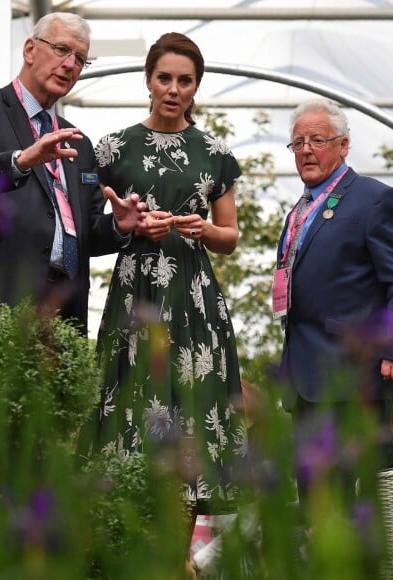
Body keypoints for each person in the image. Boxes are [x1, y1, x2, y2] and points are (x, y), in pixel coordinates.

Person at [82, 32, 247, 519]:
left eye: (185, 80)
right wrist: (126, 225)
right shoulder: (111, 149)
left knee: (192, 403)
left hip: (194, 296)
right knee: (136, 397)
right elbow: (92, 226)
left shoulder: (214, 151)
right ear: (148, 80)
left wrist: (204, 229)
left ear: (196, 87)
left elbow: (231, 237)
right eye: (165, 78)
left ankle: (179, 560)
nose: (174, 89)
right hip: (136, 291)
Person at [0, 12, 144, 335]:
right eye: (61, 49)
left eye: (80, 59)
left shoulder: (78, 144)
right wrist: (20, 161)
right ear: (29, 50)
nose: (70, 65)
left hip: (63, 313)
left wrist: (118, 225)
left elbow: (87, 231)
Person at [274, 98, 393, 506]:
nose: (306, 149)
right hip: (305, 382)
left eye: (317, 140)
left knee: (363, 507)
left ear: (343, 145)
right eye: (298, 142)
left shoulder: (373, 199)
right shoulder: (298, 212)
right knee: (316, 508)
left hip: (353, 379)